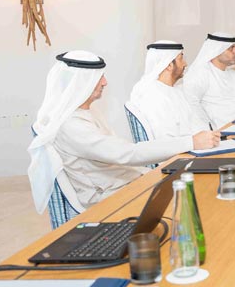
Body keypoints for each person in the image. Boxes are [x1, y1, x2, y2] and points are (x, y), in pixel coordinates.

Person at [27, 51, 219, 213]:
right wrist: (191, 142)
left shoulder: (86, 111)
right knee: (195, 201)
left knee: (201, 187)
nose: (105, 82)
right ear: (79, 83)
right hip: (107, 197)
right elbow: (127, 154)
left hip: (124, 181)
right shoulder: (70, 126)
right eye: (98, 78)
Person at [128, 40, 213, 142]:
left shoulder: (177, 91)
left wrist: (209, 136)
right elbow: (165, 141)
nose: (185, 64)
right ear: (169, 65)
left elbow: (194, 123)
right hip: (182, 150)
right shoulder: (152, 95)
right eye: (181, 58)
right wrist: (195, 142)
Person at [183, 32, 235, 129]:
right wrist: (210, 131)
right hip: (222, 133)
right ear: (217, 50)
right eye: (231, 48)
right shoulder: (200, 74)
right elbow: (192, 106)